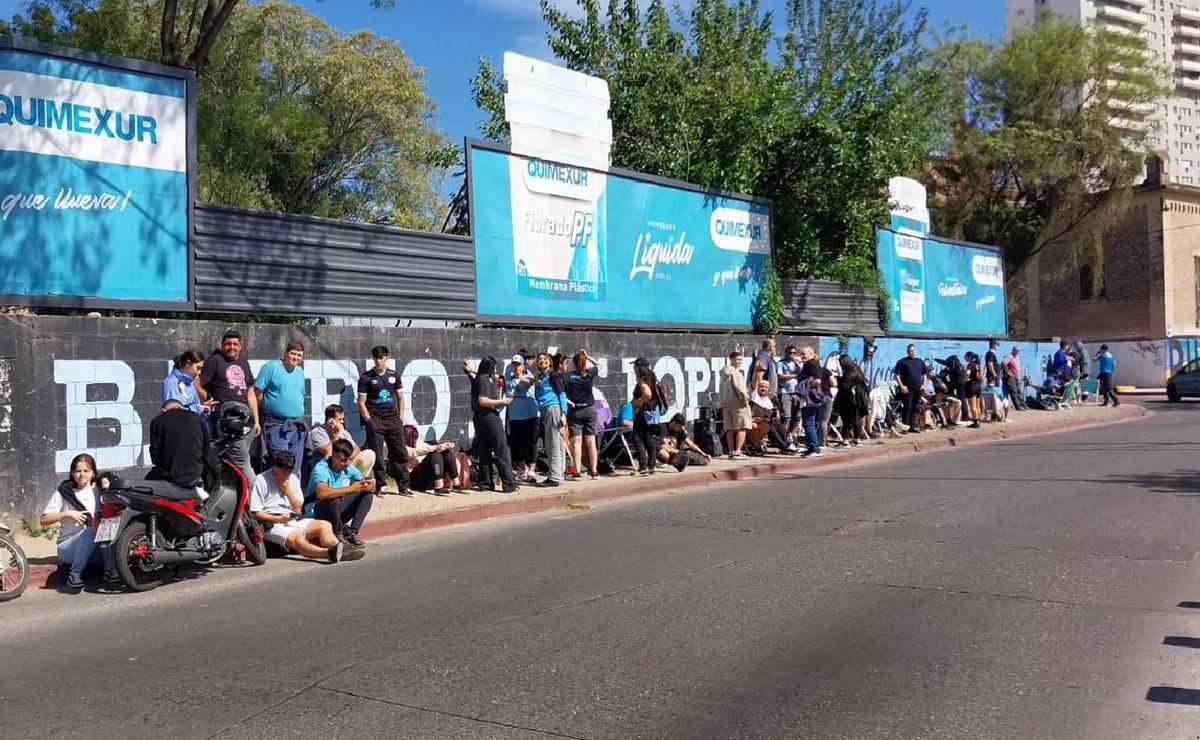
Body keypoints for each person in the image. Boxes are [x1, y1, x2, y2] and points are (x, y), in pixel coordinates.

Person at [252, 449, 358, 563]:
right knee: (297, 538)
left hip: (292, 518)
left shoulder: (293, 478)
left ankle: (337, 548)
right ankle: (327, 553)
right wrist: (277, 518)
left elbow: (298, 508)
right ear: (274, 467)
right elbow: (255, 513)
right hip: (272, 523)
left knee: (324, 525)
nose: (285, 475)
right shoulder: (261, 479)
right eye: (282, 472)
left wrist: (287, 491)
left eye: (288, 472)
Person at [39, 453, 118, 590]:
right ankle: (75, 573)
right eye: (78, 471)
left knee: (106, 528)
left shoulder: (98, 490)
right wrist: (66, 513)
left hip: (96, 550)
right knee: (89, 532)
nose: (82, 475)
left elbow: (112, 482)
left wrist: (107, 483)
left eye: (86, 471)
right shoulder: (64, 493)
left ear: (93, 473)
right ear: (72, 473)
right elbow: (43, 520)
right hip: (69, 548)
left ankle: (110, 571)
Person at [195, 330, 259, 483]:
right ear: (222, 345)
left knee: (238, 461)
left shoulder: (244, 363)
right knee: (242, 462)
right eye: (228, 344)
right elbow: (197, 384)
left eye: (235, 344)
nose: (231, 347)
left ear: (240, 346)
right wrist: (209, 399)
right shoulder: (215, 361)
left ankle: (238, 493)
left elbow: (251, 393)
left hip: (247, 421)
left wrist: (256, 420)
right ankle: (256, 493)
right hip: (228, 422)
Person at [357, 346, 410, 495]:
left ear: (386, 358)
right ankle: (381, 485)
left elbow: (401, 398)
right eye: (376, 358)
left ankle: (404, 485)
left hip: (393, 419)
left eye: (381, 358)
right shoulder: (366, 377)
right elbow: (361, 401)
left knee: (400, 451)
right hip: (376, 420)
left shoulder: (394, 376)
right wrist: (369, 420)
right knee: (377, 454)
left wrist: (400, 418)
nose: (378, 361)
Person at [306, 440, 375, 548]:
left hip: (336, 510)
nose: (346, 463)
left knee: (366, 495)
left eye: (348, 459)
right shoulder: (321, 469)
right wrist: (350, 489)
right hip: (317, 512)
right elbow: (322, 493)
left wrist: (368, 485)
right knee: (334, 498)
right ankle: (337, 535)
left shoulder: (348, 468)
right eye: (343, 460)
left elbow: (369, 485)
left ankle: (351, 533)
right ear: (334, 456)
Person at [466, 356, 520, 493]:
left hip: (479, 418)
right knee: (501, 450)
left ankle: (485, 483)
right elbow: (483, 400)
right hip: (489, 417)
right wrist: (502, 401)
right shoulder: (484, 381)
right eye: (494, 368)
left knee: (484, 451)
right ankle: (509, 483)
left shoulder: (478, 379)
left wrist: (470, 370)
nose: (495, 370)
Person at [147, 399, 221, 498]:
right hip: (193, 475)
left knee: (147, 485)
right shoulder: (197, 418)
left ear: (163, 410)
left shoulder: (157, 421)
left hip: (169, 476)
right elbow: (206, 450)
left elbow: (155, 454)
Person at [255, 341, 308, 478]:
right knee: (282, 464)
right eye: (293, 353)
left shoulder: (300, 372)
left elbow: (300, 394)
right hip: (276, 425)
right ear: (286, 352)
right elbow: (257, 392)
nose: (295, 357)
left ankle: (292, 491)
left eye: (299, 355)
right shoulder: (271, 367)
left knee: (295, 467)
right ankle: (279, 490)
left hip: (297, 426)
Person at [309, 404, 376, 479]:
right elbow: (328, 452)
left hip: (345, 463)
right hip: (328, 466)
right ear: (330, 420)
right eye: (340, 419)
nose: (342, 422)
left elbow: (357, 450)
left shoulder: (344, 432)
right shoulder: (318, 432)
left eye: (343, 419)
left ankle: (358, 481)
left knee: (369, 454)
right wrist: (338, 433)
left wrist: (345, 457)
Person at [564, 349, 602, 479]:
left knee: (576, 442)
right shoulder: (589, 374)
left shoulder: (568, 377)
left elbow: (560, 390)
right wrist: (587, 356)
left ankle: (577, 471)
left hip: (575, 410)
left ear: (573, 364)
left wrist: (570, 364)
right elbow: (599, 365)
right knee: (591, 441)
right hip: (589, 409)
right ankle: (594, 470)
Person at [533, 352, 567, 487]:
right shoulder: (542, 377)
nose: (542, 361)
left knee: (552, 443)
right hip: (545, 410)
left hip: (552, 408)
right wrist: (537, 383)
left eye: (545, 359)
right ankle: (559, 474)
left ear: (550, 362)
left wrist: (563, 413)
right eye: (540, 359)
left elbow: (562, 394)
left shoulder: (554, 376)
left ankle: (554, 476)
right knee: (556, 442)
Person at [504, 352, 539, 484]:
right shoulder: (509, 377)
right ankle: (522, 468)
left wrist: (520, 378)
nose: (516, 367)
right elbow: (507, 386)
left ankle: (532, 471)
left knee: (531, 443)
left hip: (531, 415)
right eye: (514, 365)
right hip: (515, 416)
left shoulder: (529, 375)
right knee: (517, 444)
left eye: (518, 364)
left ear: (523, 365)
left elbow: (531, 382)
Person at [631, 360, 666, 475]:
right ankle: (652, 466)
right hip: (652, 414)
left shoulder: (642, 382)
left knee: (638, 439)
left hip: (642, 415)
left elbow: (647, 394)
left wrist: (638, 402)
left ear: (639, 368)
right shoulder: (653, 380)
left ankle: (643, 467)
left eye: (635, 367)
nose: (634, 370)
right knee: (650, 440)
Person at [404, 426, 460, 495]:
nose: (413, 438)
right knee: (434, 455)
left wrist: (443, 446)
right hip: (414, 479)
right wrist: (436, 447)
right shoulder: (400, 446)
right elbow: (413, 453)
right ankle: (439, 487)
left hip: (428, 477)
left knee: (446, 452)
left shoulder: (418, 442)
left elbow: (430, 448)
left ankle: (456, 483)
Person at [719, 351, 752, 460]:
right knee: (742, 427)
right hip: (738, 404)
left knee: (729, 429)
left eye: (741, 360)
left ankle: (731, 452)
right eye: (738, 359)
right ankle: (737, 452)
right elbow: (740, 389)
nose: (740, 362)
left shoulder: (723, 373)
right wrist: (745, 400)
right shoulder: (735, 373)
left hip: (726, 404)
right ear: (731, 359)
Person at [749, 379, 797, 454]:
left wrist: (774, 413)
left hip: (768, 420)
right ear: (757, 387)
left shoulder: (769, 399)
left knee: (779, 425)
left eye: (766, 387)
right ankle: (784, 446)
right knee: (767, 426)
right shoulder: (753, 398)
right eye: (761, 386)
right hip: (755, 420)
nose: (763, 389)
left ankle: (788, 444)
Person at [162, 349, 212, 416]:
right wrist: (198, 408)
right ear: (188, 364)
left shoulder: (190, 382)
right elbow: (172, 411)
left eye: (201, 369)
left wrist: (203, 407)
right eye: (198, 368)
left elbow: (192, 405)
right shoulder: (171, 383)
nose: (199, 372)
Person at [835, 355, 869, 447]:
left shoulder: (847, 374)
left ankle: (846, 440)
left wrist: (838, 380)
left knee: (846, 420)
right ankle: (857, 438)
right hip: (858, 398)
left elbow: (845, 386)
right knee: (856, 419)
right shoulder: (857, 370)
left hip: (849, 400)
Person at [796, 347, 825, 457]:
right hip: (808, 398)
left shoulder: (811, 364)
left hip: (810, 398)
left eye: (804, 354)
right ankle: (811, 447)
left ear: (811, 354)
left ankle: (814, 448)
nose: (802, 356)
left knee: (808, 423)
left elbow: (817, 380)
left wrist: (804, 386)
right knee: (808, 422)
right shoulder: (810, 364)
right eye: (801, 354)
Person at [893, 344, 926, 433]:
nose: (911, 352)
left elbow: (924, 374)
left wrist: (923, 385)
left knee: (915, 407)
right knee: (907, 407)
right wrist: (902, 386)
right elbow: (896, 376)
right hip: (907, 388)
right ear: (907, 352)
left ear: (915, 351)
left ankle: (913, 426)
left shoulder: (920, 361)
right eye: (910, 351)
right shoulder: (902, 362)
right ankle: (905, 427)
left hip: (917, 388)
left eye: (913, 350)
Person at [776, 345, 802, 437]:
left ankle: (792, 435)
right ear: (786, 353)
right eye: (790, 353)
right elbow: (780, 376)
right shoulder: (781, 363)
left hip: (797, 392)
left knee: (797, 417)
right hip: (785, 391)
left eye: (794, 353)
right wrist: (795, 375)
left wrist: (796, 363)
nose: (792, 354)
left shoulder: (798, 363)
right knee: (786, 416)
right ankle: (784, 437)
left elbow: (802, 372)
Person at [1002, 346, 1027, 411]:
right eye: (1016, 351)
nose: (1017, 352)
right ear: (1013, 350)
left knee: (1019, 392)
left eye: (1018, 351)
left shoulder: (1017, 356)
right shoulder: (1010, 356)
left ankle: (1023, 405)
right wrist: (1007, 372)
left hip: (1016, 377)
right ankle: (1017, 406)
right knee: (1014, 392)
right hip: (1011, 377)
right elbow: (1004, 363)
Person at [963, 351, 983, 428]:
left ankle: (975, 422)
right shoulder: (978, 365)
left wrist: (965, 379)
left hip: (971, 386)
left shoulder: (970, 365)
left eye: (966, 357)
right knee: (977, 405)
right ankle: (978, 420)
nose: (965, 359)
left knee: (972, 405)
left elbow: (967, 373)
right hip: (978, 385)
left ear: (969, 357)